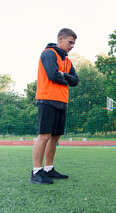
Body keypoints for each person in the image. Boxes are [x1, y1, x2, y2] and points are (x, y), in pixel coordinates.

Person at [30, 28, 79, 184]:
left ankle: (48, 169)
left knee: (55, 136)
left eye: (74, 43)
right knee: (44, 135)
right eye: (70, 42)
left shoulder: (67, 60)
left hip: (61, 101)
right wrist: (65, 77)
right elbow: (52, 74)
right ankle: (36, 172)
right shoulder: (48, 53)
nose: (72, 46)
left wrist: (63, 75)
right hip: (47, 99)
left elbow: (75, 81)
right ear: (60, 39)